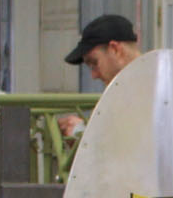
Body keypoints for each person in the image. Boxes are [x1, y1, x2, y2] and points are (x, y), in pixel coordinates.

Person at [58, 14, 142, 142]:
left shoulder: (147, 90)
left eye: (94, 62)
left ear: (115, 49)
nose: (94, 75)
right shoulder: (153, 81)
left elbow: (128, 145)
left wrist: (80, 132)